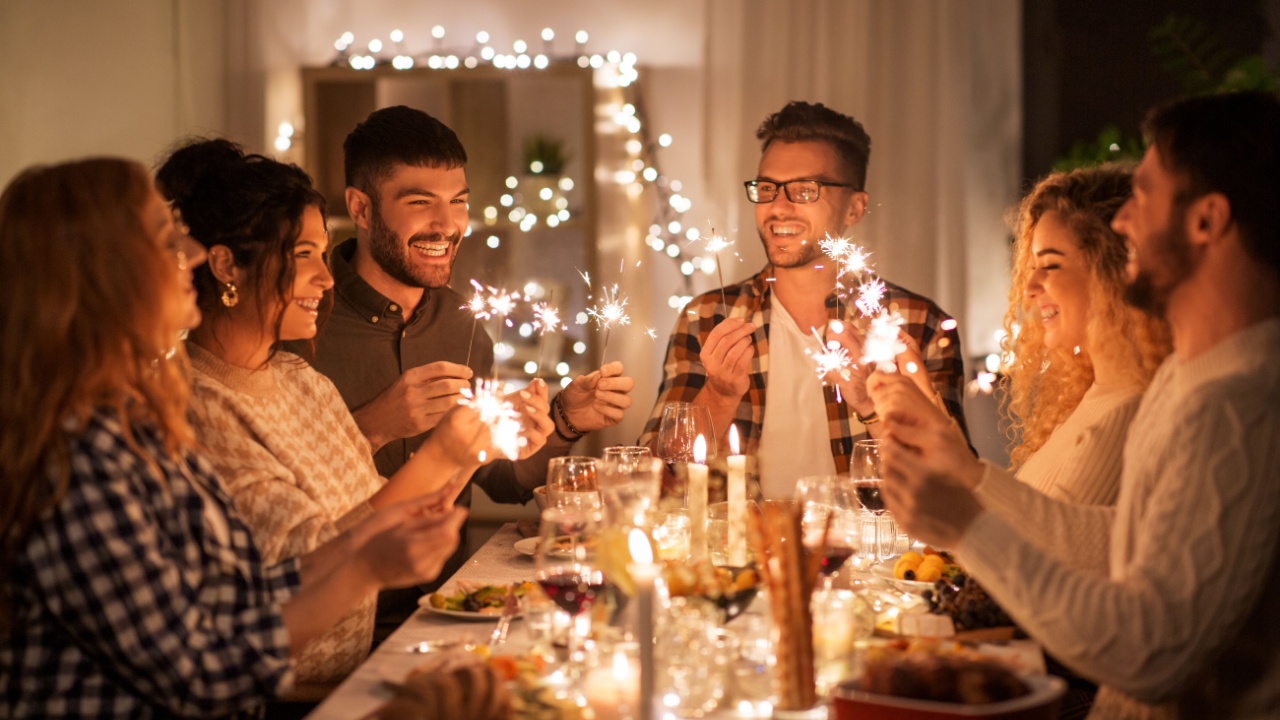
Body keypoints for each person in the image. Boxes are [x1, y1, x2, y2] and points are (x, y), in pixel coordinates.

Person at [0, 158, 468, 716]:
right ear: (98, 272)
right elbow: (197, 673)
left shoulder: (137, 421)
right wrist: (367, 562)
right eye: (163, 237)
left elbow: (239, 594)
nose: (192, 253)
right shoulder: (82, 453)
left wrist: (369, 541)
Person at [870, 91, 1280, 717]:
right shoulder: (1189, 378)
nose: (1123, 222)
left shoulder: (1238, 401)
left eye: (1143, 195)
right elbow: (1120, 542)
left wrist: (968, 527)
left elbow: (1154, 652)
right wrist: (971, 476)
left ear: (1206, 220)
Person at [156, 139, 545, 687]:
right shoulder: (194, 404)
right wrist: (442, 452)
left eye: (323, 252)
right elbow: (316, 562)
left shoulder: (301, 380)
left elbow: (383, 510)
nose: (327, 278)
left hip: (362, 671)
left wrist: (479, 447)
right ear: (225, 266)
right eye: (302, 256)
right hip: (290, 695)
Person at [289, 106, 635, 588]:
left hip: (449, 607)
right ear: (361, 208)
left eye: (458, 201)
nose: (448, 224)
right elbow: (279, 497)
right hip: (334, 609)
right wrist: (373, 427)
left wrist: (563, 418)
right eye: (420, 202)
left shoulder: (462, 323)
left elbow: (501, 481)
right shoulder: (299, 319)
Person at [637, 101, 967, 498]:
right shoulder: (708, 318)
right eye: (767, 188)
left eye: (805, 190)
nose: (777, 207)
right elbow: (651, 482)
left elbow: (953, 490)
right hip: (741, 556)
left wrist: (875, 408)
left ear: (855, 208)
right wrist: (719, 396)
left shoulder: (914, 325)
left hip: (875, 559)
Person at [999, 164, 1171, 507]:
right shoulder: (1092, 399)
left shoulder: (1127, 415)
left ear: (1112, 273)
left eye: (1050, 265)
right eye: (1031, 268)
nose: (1030, 288)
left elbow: (1037, 550)